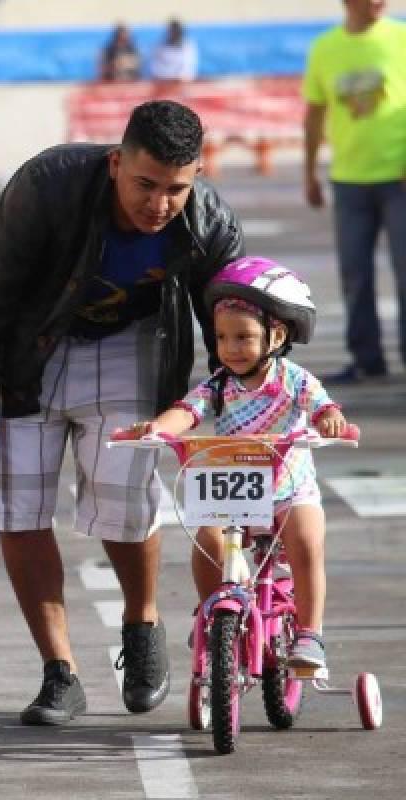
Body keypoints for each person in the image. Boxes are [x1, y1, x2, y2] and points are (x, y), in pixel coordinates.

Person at [0, 100, 245, 726]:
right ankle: (60, 672)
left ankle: (141, 624)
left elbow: (235, 312)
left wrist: (253, 397)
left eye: (175, 189)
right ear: (116, 163)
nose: (159, 204)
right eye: (145, 184)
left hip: (130, 345)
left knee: (124, 498)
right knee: (19, 505)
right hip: (28, 350)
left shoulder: (205, 218)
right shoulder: (46, 188)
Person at [137, 257, 346, 671]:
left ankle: (310, 634)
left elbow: (322, 407)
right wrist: (158, 429)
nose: (230, 349)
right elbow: (187, 411)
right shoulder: (218, 384)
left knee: (306, 542)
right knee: (207, 538)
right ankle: (213, 614)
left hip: (289, 489)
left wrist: (330, 420)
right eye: (221, 337)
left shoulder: (294, 380)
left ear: (277, 335)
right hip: (237, 489)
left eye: (244, 337)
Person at [303, 0, 406, 384]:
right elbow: (314, 113)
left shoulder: (401, 38)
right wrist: (310, 171)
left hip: (399, 177)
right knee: (355, 274)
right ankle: (367, 359)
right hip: (349, 180)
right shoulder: (325, 48)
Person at [149, 19, 198, 83]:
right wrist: (163, 77)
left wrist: (177, 78)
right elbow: (154, 65)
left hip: (180, 81)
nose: (173, 34)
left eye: (175, 32)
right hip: (162, 80)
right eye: (171, 32)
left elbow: (188, 67)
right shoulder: (160, 45)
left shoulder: (188, 46)